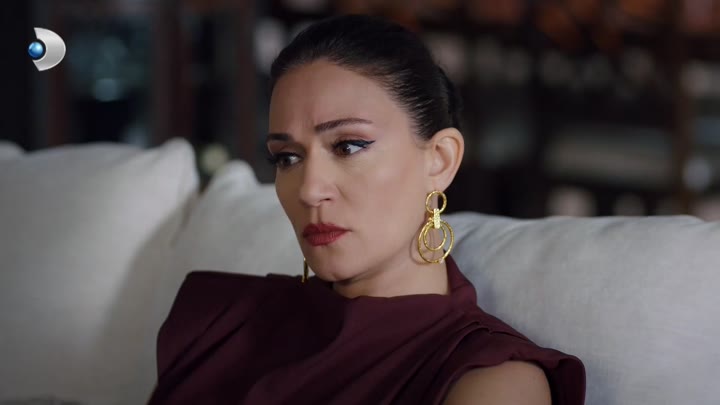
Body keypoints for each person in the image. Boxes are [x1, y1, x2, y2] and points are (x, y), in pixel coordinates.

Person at [148, 14, 585, 405]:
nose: (310, 190)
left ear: (439, 160)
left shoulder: (490, 380)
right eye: (287, 157)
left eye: (348, 146)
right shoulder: (218, 324)